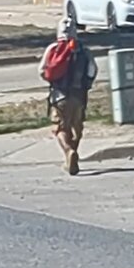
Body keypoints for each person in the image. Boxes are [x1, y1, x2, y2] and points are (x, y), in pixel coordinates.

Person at [38, 17, 98, 175]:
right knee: (76, 127)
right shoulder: (83, 50)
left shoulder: (53, 48)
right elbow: (92, 69)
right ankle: (71, 158)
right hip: (79, 96)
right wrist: (87, 84)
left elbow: (42, 70)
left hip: (59, 96)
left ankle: (69, 152)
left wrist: (51, 80)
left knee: (60, 129)